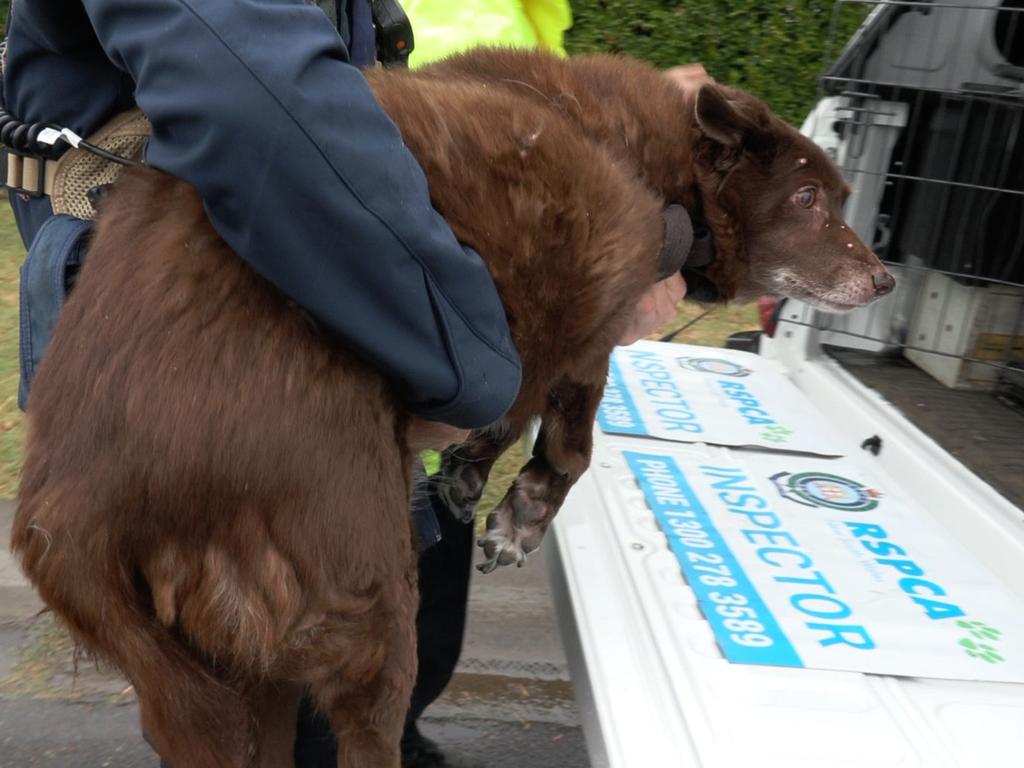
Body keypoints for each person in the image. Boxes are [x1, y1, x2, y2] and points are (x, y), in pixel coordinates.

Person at [2, 1, 686, 766]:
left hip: (282, 331)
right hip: (204, 352)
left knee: (306, 695)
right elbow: (260, 108)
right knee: (289, 701)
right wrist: (472, 368)